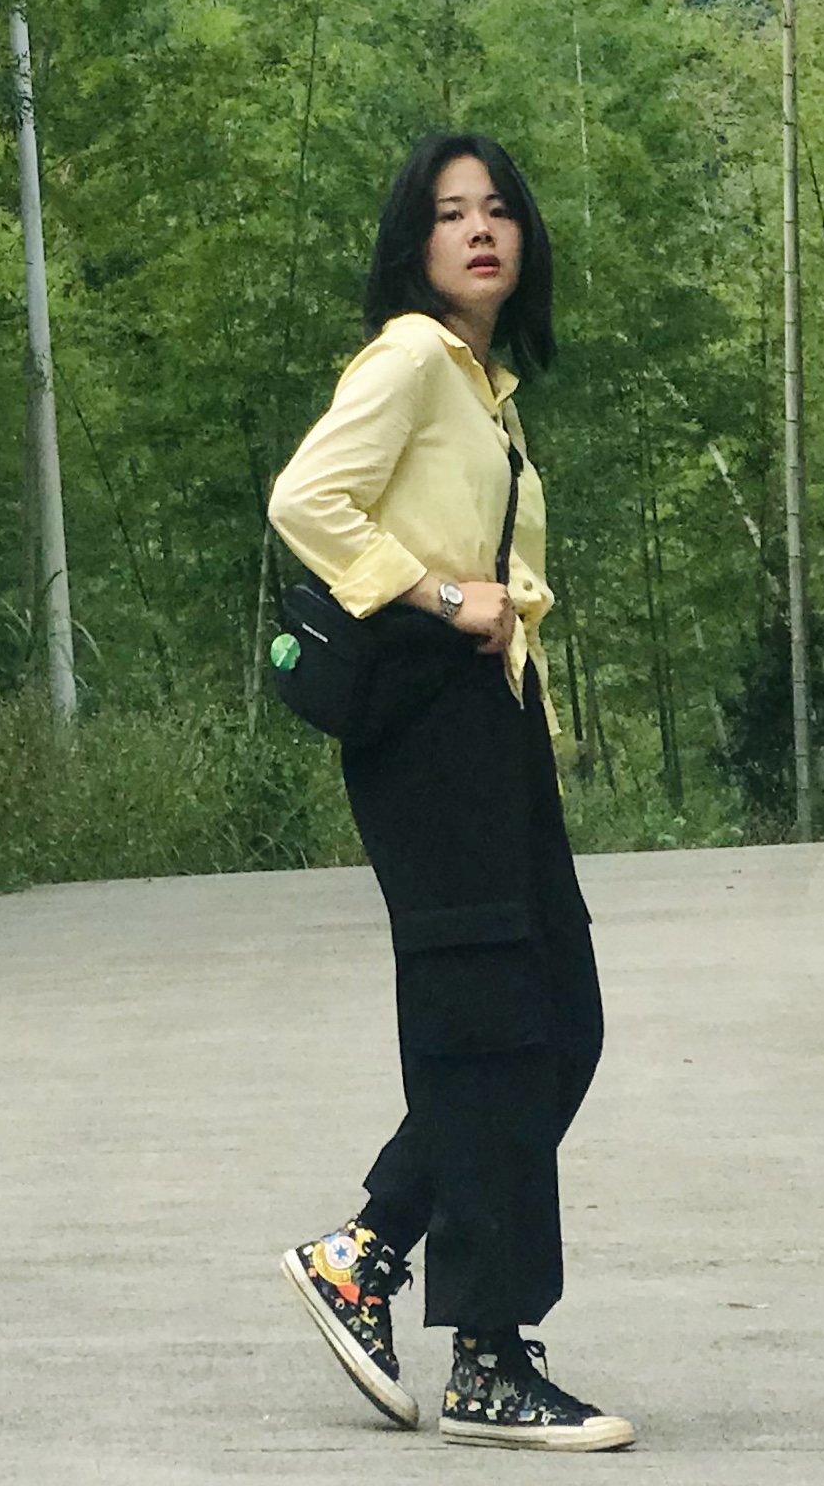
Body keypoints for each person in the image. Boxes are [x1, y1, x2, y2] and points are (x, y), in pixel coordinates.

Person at [266, 131, 632, 1453]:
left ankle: (366, 1251)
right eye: (447, 212)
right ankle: (487, 1356)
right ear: (411, 244)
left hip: (494, 723)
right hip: (425, 722)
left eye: (496, 210)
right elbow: (306, 498)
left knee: (561, 1022)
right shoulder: (412, 358)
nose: (478, 229)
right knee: (488, 1029)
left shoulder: (487, 390)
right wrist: (437, 593)